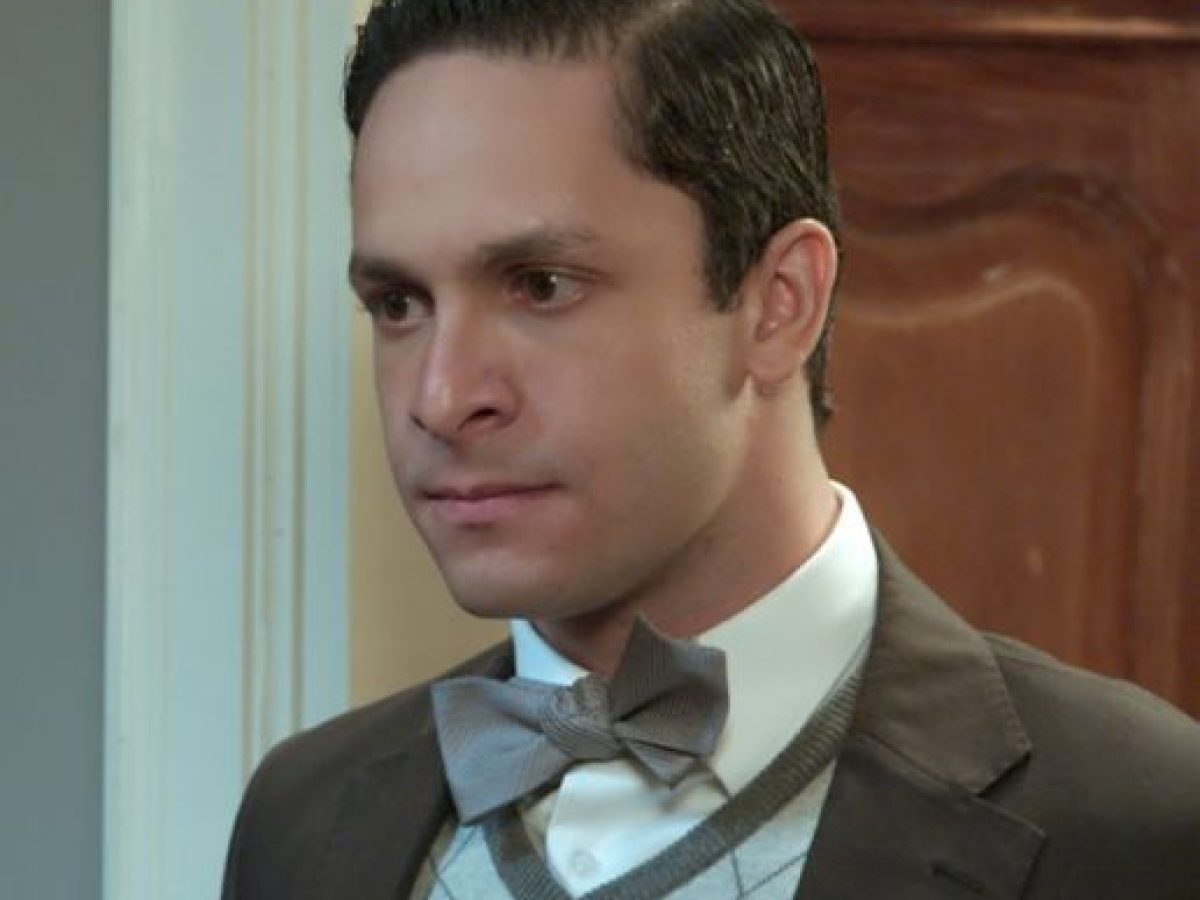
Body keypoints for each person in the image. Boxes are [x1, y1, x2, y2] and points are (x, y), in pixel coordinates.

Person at [221, 1, 1200, 897]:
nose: (440, 399)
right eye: (398, 303)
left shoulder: (1146, 822)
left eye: (542, 285)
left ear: (780, 305)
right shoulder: (301, 818)